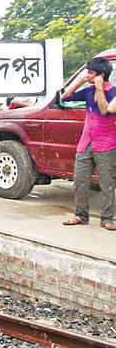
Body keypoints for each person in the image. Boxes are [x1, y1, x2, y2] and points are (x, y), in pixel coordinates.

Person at [61, 57, 116, 230]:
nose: (87, 75)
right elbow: (65, 96)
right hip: (86, 143)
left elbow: (104, 110)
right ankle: (80, 215)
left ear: (100, 75)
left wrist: (100, 88)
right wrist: (81, 81)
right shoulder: (88, 90)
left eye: (90, 73)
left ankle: (107, 218)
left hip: (106, 144)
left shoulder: (113, 92)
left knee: (107, 183)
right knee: (80, 181)